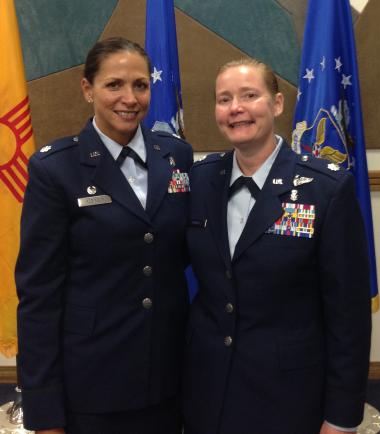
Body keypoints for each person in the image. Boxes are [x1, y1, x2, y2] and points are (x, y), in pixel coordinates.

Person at [182, 58, 371, 434]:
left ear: (278, 104)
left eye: (250, 95)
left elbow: (348, 317)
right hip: (207, 391)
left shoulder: (326, 190)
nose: (236, 108)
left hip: (287, 397)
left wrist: (341, 417)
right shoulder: (199, 182)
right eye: (224, 99)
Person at [16, 37, 193, 434]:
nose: (129, 98)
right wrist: (44, 413)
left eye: (140, 85)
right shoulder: (55, 170)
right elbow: (38, 297)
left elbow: (180, 255)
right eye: (114, 85)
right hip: (93, 383)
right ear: (87, 89)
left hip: (169, 376)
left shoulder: (176, 155)